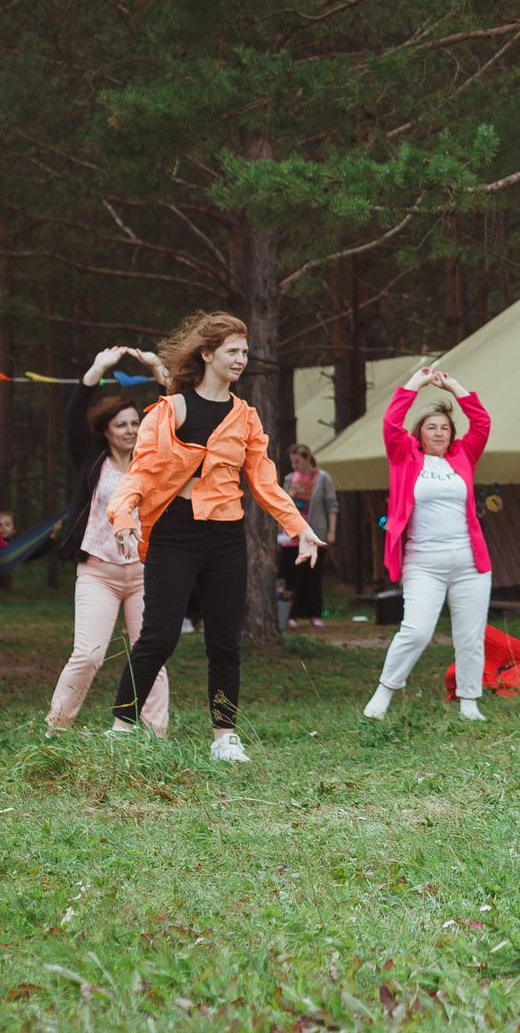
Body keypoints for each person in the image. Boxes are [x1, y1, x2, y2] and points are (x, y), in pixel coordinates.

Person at [106, 311, 320, 763]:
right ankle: (121, 729)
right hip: (174, 533)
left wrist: (299, 528)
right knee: (159, 636)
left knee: (225, 643)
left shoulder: (246, 418)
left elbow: (265, 483)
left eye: (245, 352)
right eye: (232, 351)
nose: (241, 359)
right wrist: (123, 517)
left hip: (225, 538)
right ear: (207, 354)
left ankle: (224, 739)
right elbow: (140, 473)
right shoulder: (172, 410)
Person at [45, 347, 173, 735]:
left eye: (136, 423)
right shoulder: (91, 459)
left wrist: (158, 369)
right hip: (98, 573)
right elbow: (73, 415)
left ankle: (154, 734)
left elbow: (171, 415)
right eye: (122, 425)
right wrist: (97, 368)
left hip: (145, 573)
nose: (131, 430)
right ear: (105, 430)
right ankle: (57, 727)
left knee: (151, 653)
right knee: (88, 655)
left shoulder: (152, 459)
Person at [366, 367, 494, 722]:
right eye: (431, 427)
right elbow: (391, 422)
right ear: (419, 433)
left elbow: (481, 423)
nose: (439, 433)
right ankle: (384, 692)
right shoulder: (403, 455)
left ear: (452, 434)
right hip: (423, 563)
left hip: (470, 563)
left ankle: (469, 701)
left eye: (445, 428)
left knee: (470, 636)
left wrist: (454, 387)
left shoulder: (463, 455)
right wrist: (415, 383)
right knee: (417, 631)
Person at [279, 442, 338, 625]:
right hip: (291, 535)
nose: (294, 465)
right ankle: (291, 614)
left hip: (314, 533)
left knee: (313, 575)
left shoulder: (322, 478)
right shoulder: (289, 479)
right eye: (292, 462)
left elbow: (331, 506)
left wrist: (331, 530)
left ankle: (315, 614)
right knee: (292, 576)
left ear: (307, 459)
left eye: (297, 461)